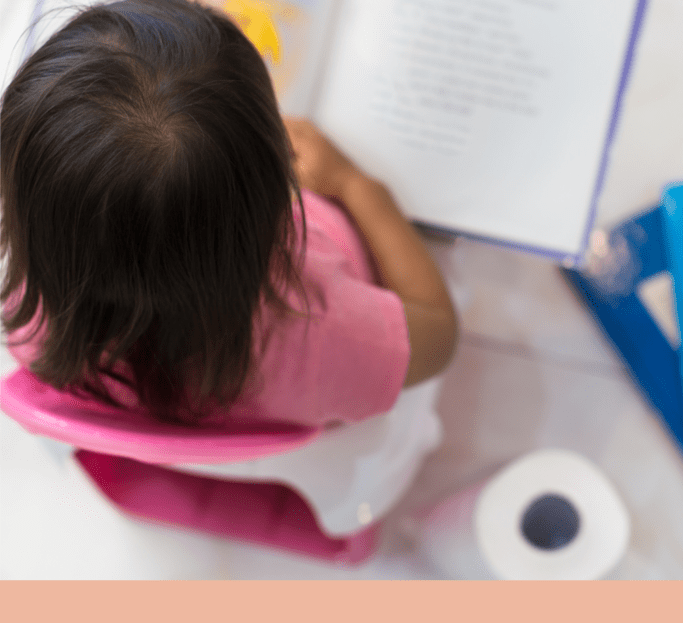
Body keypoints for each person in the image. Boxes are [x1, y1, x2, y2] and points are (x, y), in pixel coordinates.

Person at [1, 0, 457, 532]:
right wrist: (359, 187)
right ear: (278, 202)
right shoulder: (326, 331)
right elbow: (440, 336)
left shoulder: (27, 314)